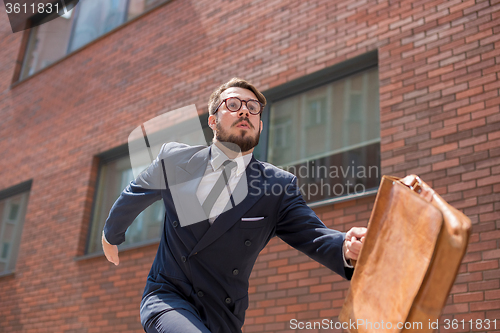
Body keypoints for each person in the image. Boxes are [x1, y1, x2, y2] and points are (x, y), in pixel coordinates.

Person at [102, 78, 367, 333]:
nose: (244, 111)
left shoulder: (278, 187)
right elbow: (134, 194)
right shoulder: (175, 160)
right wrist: (110, 235)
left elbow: (313, 235)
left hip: (224, 314)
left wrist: (345, 245)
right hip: (168, 298)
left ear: (260, 126)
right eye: (233, 104)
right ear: (212, 121)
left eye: (253, 108)